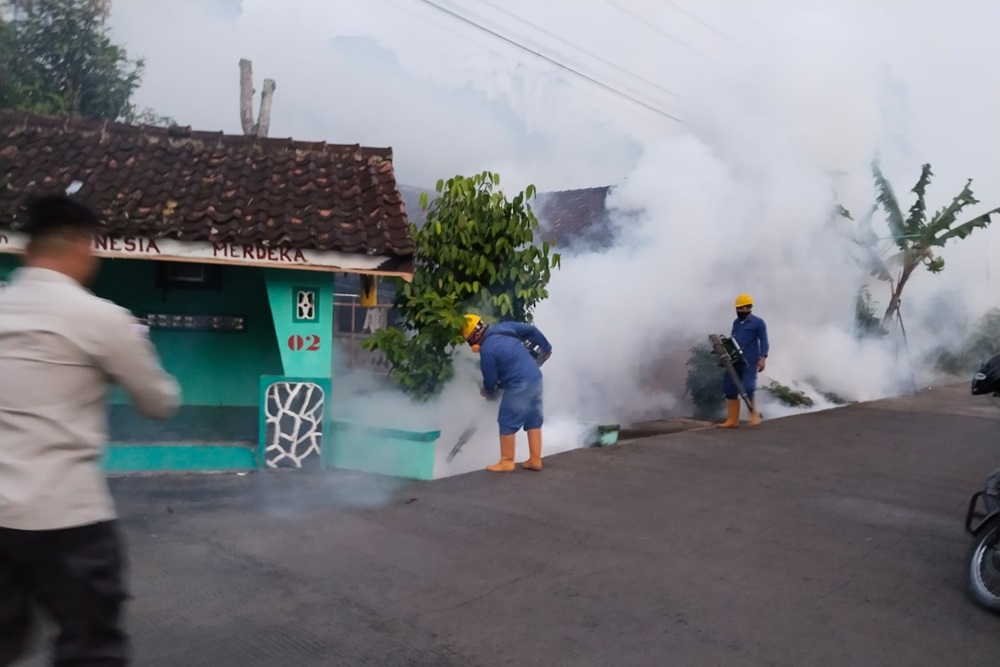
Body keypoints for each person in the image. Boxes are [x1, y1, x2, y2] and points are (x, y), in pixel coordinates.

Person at [0, 194, 181, 666]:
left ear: (28, 249)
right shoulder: (100, 318)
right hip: (70, 524)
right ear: (81, 246)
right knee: (91, 651)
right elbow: (159, 402)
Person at [461, 314, 553, 472]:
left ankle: (507, 461)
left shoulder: (487, 350)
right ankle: (535, 459)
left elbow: (490, 379)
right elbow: (531, 330)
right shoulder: (504, 327)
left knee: (506, 420)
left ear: (475, 336)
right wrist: (546, 348)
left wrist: (487, 391)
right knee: (533, 418)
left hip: (519, 385)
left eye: (470, 340)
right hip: (535, 378)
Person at [718, 293, 769, 428]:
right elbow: (733, 340)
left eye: (742, 308)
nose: (740, 311)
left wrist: (763, 358)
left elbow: (764, 341)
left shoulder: (758, 323)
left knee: (748, 387)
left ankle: (753, 415)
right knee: (729, 388)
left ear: (749, 307)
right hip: (734, 360)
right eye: (738, 308)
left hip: (749, 361)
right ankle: (732, 420)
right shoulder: (736, 322)